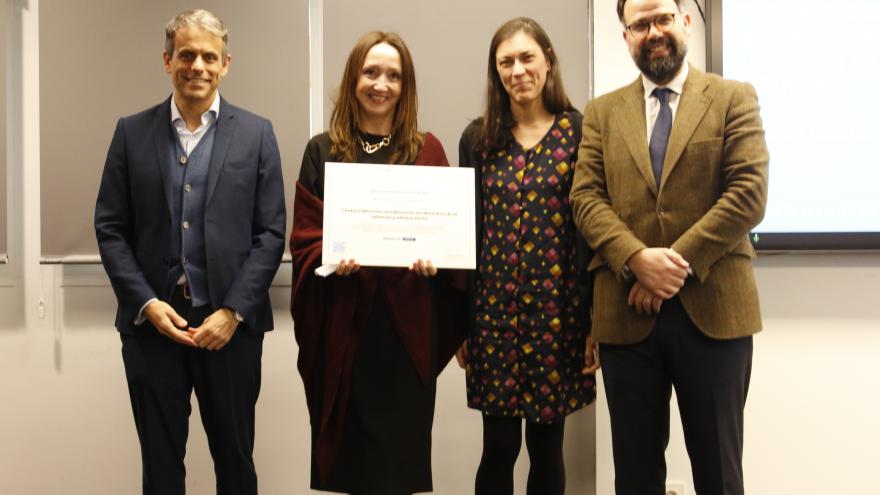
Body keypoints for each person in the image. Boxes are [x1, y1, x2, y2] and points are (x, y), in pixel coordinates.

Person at [569, 0, 769, 493]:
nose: (652, 31)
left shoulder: (732, 97)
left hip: (715, 313)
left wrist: (670, 268)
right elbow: (586, 198)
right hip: (626, 319)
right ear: (626, 36)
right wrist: (637, 260)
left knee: (719, 474)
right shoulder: (602, 113)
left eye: (661, 18)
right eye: (639, 24)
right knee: (635, 476)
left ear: (684, 20)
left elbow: (748, 193)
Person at [94, 9, 286, 495]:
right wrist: (146, 303)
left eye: (208, 56)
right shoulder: (130, 133)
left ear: (226, 63)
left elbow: (271, 233)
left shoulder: (257, 134)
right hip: (152, 329)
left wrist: (233, 312)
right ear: (166, 60)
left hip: (231, 331)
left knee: (236, 465)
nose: (197, 65)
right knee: (160, 469)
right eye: (186, 55)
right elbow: (110, 228)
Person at [290, 31, 467, 495]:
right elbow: (306, 239)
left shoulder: (427, 151)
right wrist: (331, 260)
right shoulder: (322, 150)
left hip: (404, 336)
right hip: (345, 333)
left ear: (405, 86)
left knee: (399, 468)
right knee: (351, 467)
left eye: (393, 75)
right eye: (371, 72)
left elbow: (447, 238)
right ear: (353, 79)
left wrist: (438, 262)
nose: (381, 84)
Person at [456, 17, 598, 495]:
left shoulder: (579, 132)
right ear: (496, 72)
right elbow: (465, 235)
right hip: (493, 316)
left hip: (559, 317)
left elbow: (591, 231)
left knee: (546, 447)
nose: (518, 70)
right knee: (497, 448)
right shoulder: (477, 139)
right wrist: (461, 324)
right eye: (506, 62)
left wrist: (596, 320)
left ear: (548, 60)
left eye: (526, 57)